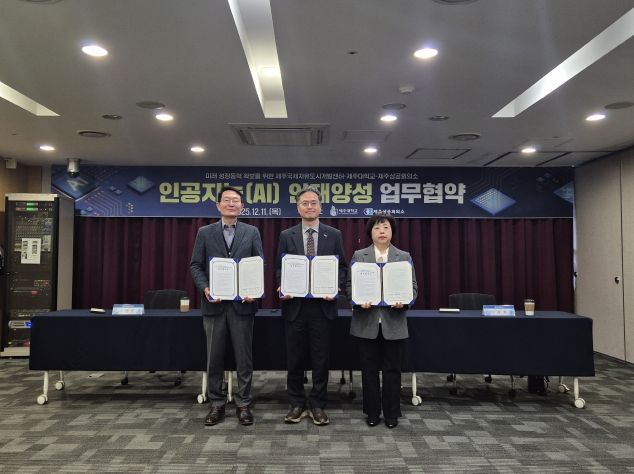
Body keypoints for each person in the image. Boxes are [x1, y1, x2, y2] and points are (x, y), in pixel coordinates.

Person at [190, 186, 264, 426]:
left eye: (236, 200)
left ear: (242, 206)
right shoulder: (205, 232)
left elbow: (258, 264)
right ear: (218, 205)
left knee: (244, 358)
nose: (231, 204)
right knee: (214, 357)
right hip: (214, 306)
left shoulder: (252, 232)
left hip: (243, 306)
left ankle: (244, 404)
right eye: (227, 200)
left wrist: (254, 291)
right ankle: (217, 403)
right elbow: (195, 265)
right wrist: (205, 288)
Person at [276, 186, 347, 425]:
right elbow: (280, 268)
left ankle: (318, 404)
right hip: (294, 306)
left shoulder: (334, 235)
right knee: (294, 359)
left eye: (313, 203)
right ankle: (296, 403)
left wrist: (335, 287)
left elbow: (342, 267)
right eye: (304, 203)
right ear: (298, 208)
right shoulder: (286, 235)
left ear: (320, 207)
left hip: (322, 307)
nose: (309, 207)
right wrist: (282, 286)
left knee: (320, 359)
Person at [346, 213, 417, 429]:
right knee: (369, 371)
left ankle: (392, 413)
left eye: (386, 227)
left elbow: (413, 288)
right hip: (366, 322)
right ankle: (372, 411)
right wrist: (358, 300)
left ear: (392, 231)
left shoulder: (403, 256)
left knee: (392, 371)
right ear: (371, 233)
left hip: (393, 323)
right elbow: (349, 285)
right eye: (377, 228)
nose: (382, 232)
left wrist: (404, 302)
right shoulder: (360, 255)